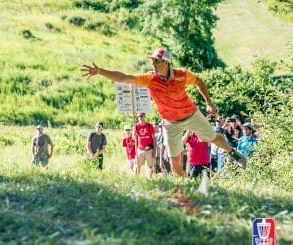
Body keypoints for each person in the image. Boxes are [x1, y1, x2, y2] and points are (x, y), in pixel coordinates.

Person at [81, 48, 247, 177]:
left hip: (191, 114)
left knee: (213, 138)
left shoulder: (181, 74)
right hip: (170, 122)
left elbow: (198, 81)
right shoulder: (149, 78)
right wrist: (100, 71)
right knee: (175, 161)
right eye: (152, 60)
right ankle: (185, 188)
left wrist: (209, 103)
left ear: (166, 63)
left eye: (156, 61)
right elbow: (124, 77)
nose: (153, 63)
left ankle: (234, 154)